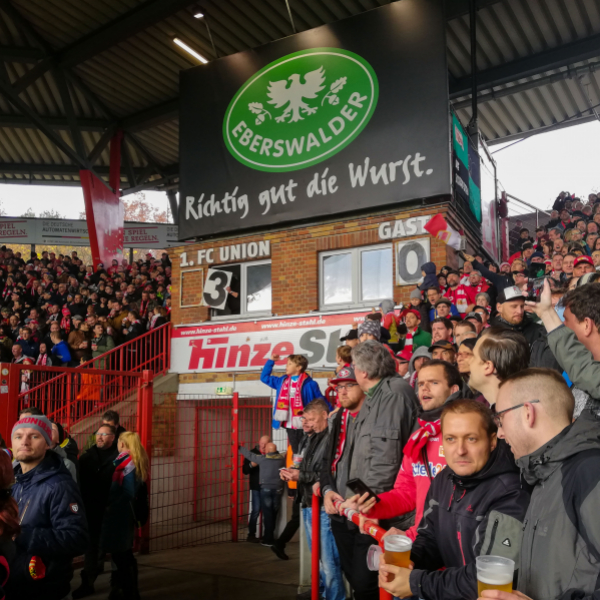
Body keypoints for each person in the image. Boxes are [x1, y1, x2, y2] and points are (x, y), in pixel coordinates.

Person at [379, 400, 530, 600]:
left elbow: (489, 577)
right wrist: (411, 560)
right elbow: (430, 538)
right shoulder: (444, 479)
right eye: (450, 439)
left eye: (471, 439)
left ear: (492, 441)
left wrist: (418, 583)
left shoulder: (511, 491)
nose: (460, 450)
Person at [492, 368, 600, 600]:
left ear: (528, 413)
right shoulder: (543, 473)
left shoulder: (590, 472)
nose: (499, 433)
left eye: (500, 419)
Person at [320, 343, 417, 600]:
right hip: (364, 504)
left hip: (380, 509)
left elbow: (385, 459)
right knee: (359, 580)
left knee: (368, 584)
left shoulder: (393, 394)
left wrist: (372, 507)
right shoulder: (377, 397)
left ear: (362, 372)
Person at [349, 361, 463, 540]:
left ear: (453, 390)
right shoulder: (419, 436)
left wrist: (411, 535)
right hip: (426, 544)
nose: (424, 388)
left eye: (433, 382)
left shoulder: (464, 435)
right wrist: (374, 506)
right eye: (420, 384)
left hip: (456, 548)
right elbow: (405, 492)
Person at [9, 414, 88, 600]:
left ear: (47, 443)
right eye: (18, 436)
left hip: (44, 589)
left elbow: (77, 538)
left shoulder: (60, 484)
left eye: (34, 436)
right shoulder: (12, 481)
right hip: (14, 584)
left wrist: (21, 535)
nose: (25, 442)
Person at [281, 399, 344, 600]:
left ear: (325, 415)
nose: (308, 423)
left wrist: (300, 476)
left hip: (322, 505)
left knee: (328, 558)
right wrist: (294, 472)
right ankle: (323, 592)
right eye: (305, 419)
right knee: (318, 556)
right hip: (308, 502)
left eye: (311, 419)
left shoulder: (330, 438)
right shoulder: (310, 439)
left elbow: (325, 473)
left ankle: (334, 596)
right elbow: (309, 468)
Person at [72, 423, 120, 599]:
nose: (99, 437)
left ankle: (118, 585)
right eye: (98, 434)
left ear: (113, 438)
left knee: (116, 549)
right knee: (91, 548)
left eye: (104, 434)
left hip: (112, 511)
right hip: (91, 510)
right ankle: (88, 583)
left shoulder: (119, 458)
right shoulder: (87, 457)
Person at [101, 432, 149, 600]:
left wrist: (110, 504)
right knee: (123, 554)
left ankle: (128, 592)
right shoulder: (131, 460)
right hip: (121, 514)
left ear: (122, 443)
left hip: (120, 515)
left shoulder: (127, 463)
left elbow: (127, 492)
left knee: (122, 556)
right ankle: (126, 590)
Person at [261, 353, 322, 452]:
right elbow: (264, 377)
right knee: (296, 451)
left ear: (298, 367)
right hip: (290, 424)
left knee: (309, 450)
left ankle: (307, 466)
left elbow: (321, 401)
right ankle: (297, 466)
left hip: (305, 423)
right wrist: (271, 361)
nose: (286, 366)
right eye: (287, 363)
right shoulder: (281, 381)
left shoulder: (310, 384)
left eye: (289, 364)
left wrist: (331, 412)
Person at [490, 286, 560, 370]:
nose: (519, 311)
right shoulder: (489, 334)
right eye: (514, 306)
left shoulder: (538, 330)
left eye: (522, 306)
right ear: (499, 307)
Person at [468, 327, 530, 407]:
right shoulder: (478, 410)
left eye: (473, 356)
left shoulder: (514, 416)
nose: (469, 362)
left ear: (488, 367)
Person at [239, 442, 285, 547]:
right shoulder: (282, 460)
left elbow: (249, 455)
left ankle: (268, 539)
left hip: (266, 489)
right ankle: (269, 537)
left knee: (267, 514)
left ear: (267, 451)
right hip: (278, 489)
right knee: (274, 514)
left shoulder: (263, 459)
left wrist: (239, 447)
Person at [242, 434, 271, 543]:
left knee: (268, 512)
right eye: (262, 443)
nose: (263, 446)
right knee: (256, 510)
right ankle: (251, 535)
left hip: (269, 487)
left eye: (266, 444)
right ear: (259, 442)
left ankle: (267, 536)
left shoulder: (272, 454)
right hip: (256, 487)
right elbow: (245, 470)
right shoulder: (252, 454)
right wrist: (251, 465)